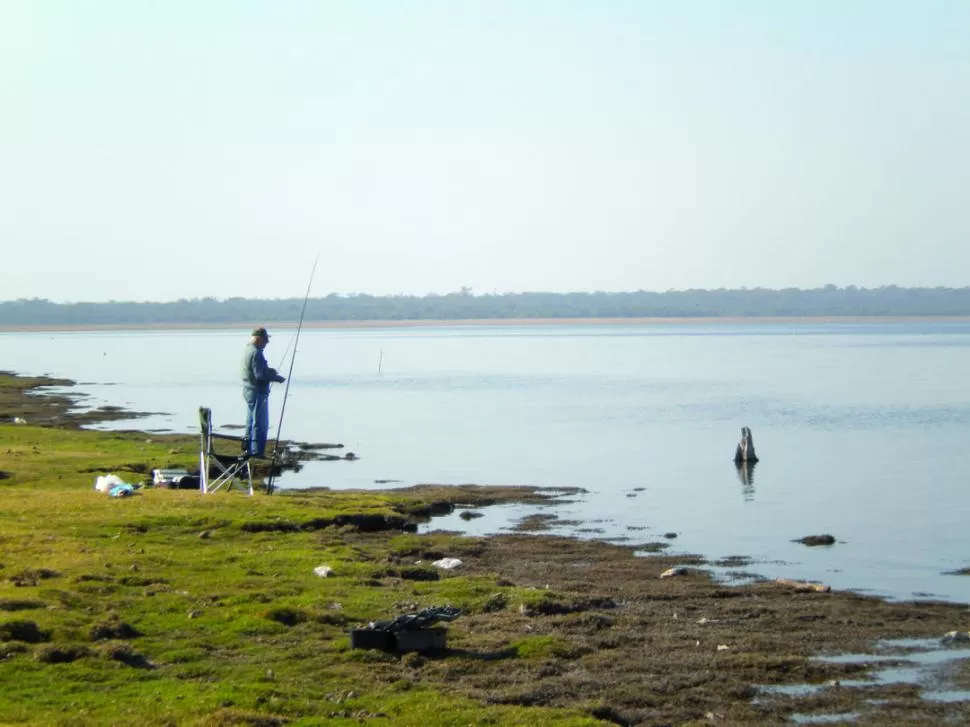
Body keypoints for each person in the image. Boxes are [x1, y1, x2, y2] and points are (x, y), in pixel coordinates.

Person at [241, 327, 285, 458]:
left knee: (250, 422)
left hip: (249, 390)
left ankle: (248, 449)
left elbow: (256, 371)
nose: (267, 343)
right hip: (257, 392)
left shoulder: (247, 350)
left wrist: (269, 371)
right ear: (258, 339)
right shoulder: (256, 353)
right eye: (265, 340)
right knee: (260, 423)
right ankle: (257, 452)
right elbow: (259, 376)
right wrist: (275, 378)